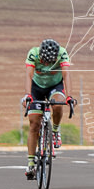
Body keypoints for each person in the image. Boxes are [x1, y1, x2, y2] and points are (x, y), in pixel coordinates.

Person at [23, 39, 73, 179]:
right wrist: (27, 95)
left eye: (50, 63)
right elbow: (28, 75)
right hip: (36, 87)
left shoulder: (62, 53)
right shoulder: (33, 53)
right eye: (44, 62)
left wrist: (69, 96)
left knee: (58, 105)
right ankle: (31, 163)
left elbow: (66, 74)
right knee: (34, 124)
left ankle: (55, 130)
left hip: (54, 86)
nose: (46, 65)